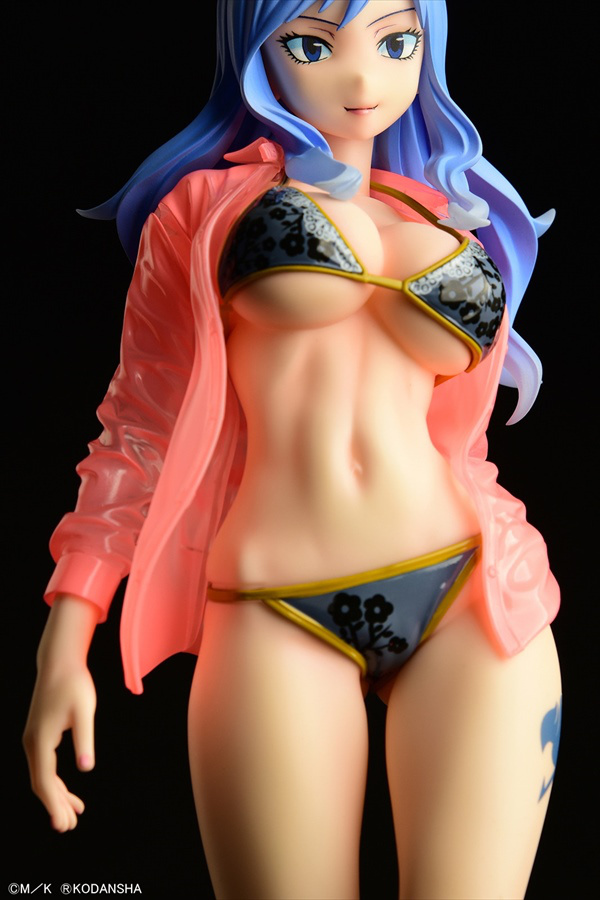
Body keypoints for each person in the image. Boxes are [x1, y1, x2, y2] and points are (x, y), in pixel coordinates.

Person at [23, 2, 562, 897]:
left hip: (475, 591)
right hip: (274, 603)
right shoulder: (200, 212)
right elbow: (140, 428)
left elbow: (459, 435)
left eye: (397, 41)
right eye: (313, 45)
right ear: (254, 51)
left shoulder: (447, 216)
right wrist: (68, 631)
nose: (362, 78)